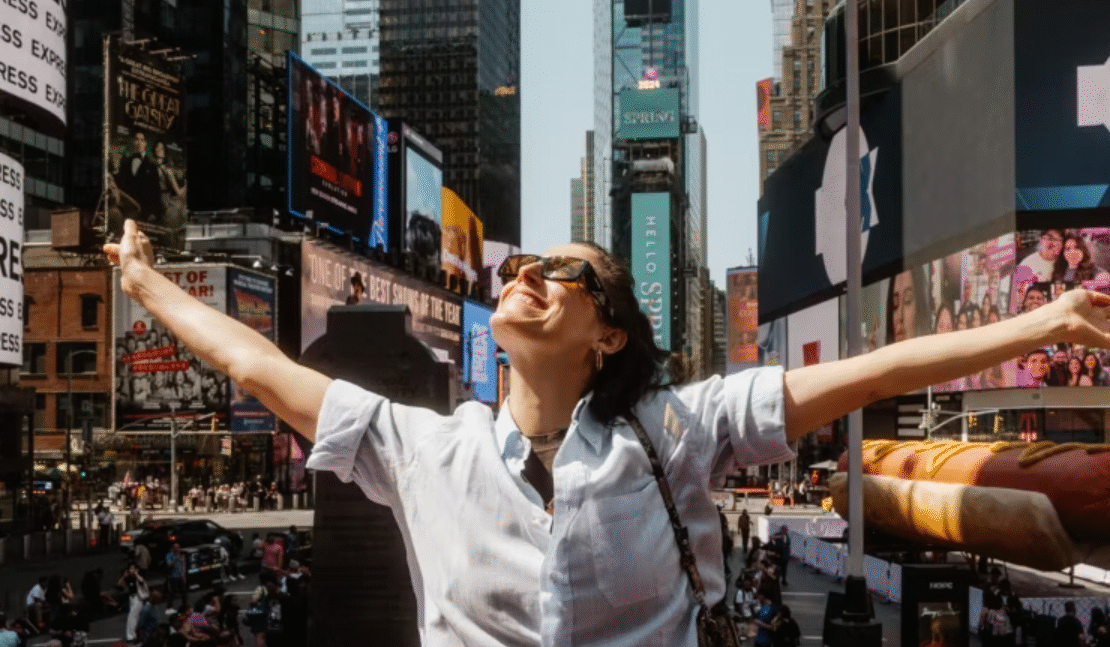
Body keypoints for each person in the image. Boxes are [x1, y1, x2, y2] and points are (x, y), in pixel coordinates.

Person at [104, 220, 1110, 646]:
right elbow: (260, 367)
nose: (523, 275)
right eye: (517, 266)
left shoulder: (673, 430)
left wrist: (1036, 325)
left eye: (563, 271)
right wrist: (145, 283)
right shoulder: (425, 447)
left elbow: (865, 374)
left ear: (608, 331)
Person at [118, 563, 147, 643]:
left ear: (136, 569)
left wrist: (136, 574)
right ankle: (136, 634)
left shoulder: (138, 577)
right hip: (131, 598)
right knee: (135, 617)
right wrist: (123, 577)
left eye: (133, 568)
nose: (131, 570)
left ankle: (131, 636)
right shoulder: (129, 578)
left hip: (138, 598)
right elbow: (120, 586)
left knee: (132, 616)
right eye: (130, 569)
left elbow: (142, 581)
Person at [165, 544, 188, 610]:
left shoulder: (181, 555)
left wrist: (184, 574)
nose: (177, 549)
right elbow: (169, 565)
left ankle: (185, 606)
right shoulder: (169, 555)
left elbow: (183, 566)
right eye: (175, 547)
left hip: (180, 576)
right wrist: (175, 558)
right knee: (172, 592)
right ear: (172, 548)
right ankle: (169, 607)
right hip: (173, 576)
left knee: (183, 592)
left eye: (178, 547)